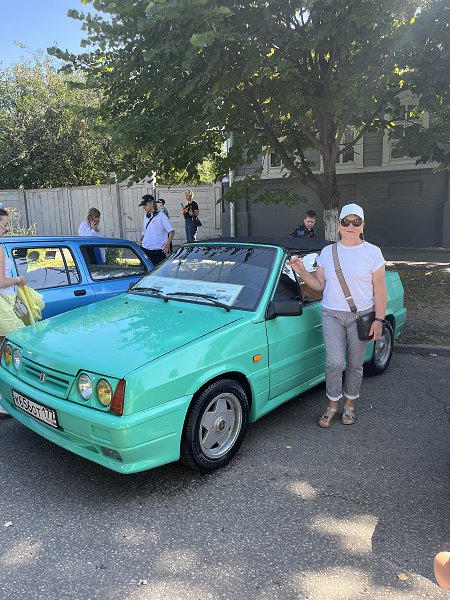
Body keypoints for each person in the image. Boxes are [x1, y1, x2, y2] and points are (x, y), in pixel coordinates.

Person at [289, 203, 386, 428]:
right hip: (331, 314)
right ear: (339, 224)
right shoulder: (328, 252)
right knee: (334, 362)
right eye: (346, 221)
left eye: (356, 221)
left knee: (355, 363)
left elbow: (380, 290)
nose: (351, 226)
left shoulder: (373, 252)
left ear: (363, 225)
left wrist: (379, 320)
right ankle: (332, 404)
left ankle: (349, 404)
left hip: (361, 316)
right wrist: (302, 271)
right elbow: (319, 285)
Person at [0, 208, 27, 418]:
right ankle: (5, 399)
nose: (7, 228)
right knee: (15, 346)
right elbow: (1, 282)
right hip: (3, 304)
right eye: (5, 224)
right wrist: (19, 279)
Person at [141, 198, 175, 266]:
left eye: (145, 205)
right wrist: (140, 241)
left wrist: (168, 243)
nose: (144, 207)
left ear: (151, 203)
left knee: (158, 271)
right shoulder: (146, 216)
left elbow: (172, 232)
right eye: (143, 205)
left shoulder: (161, 216)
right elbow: (145, 232)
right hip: (145, 249)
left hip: (157, 251)